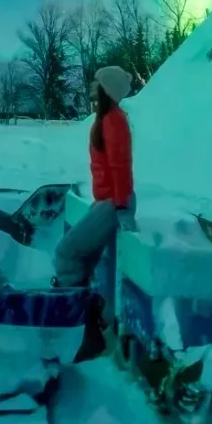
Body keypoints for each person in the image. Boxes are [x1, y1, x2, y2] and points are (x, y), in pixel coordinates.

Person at [53, 65, 137, 290]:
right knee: (85, 258)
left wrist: (121, 206)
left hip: (113, 204)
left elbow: (120, 165)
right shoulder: (106, 118)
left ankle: (69, 299)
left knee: (66, 252)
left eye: (97, 82)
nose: (92, 85)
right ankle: (82, 297)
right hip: (107, 202)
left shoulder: (114, 120)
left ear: (107, 89)